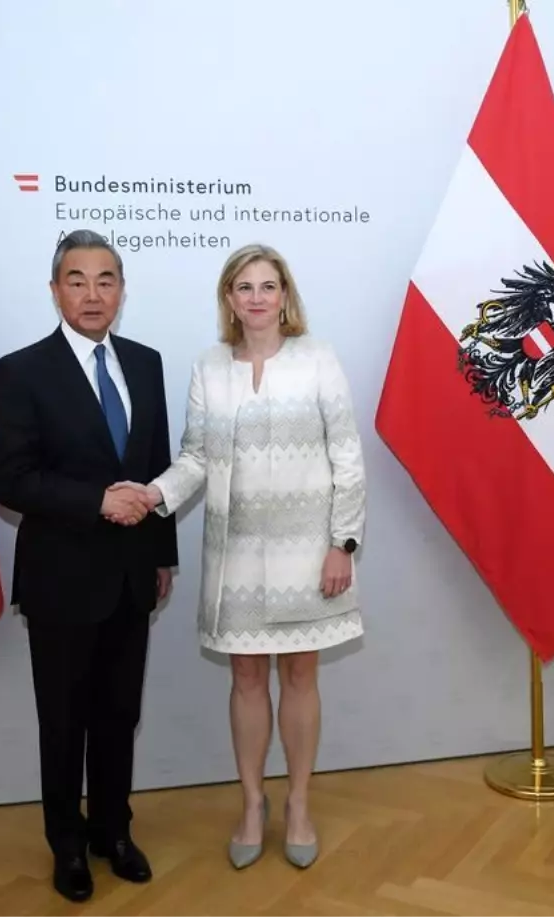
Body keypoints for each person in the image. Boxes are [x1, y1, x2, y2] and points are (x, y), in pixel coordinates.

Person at [131, 243, 366, 870]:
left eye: (267, 286)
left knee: (301, 677)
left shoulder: (318, 359)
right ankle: (253, 804)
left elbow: (347, 457)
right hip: (233, 555)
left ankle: (299, 804)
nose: (256, 297)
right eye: (244, 287)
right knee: (245, 679)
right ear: (229, 300)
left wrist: (342, 544)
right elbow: (196, 458)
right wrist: (153, 495)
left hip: (310, 554)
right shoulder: (209, 367)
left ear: (284, 296)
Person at [0, 230, 178, 903]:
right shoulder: (21, 370)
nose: (92, 294)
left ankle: (113, 832)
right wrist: (96, 500)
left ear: (121, 290)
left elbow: (157, 466)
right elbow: (9, 477)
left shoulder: (146, 363)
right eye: (77, 280)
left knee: (119, 715)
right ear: (55, 289)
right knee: (64, 722)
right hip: (61, 577)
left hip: (132, 575)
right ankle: (67, 845)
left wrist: (162, 554)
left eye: (105, 280)